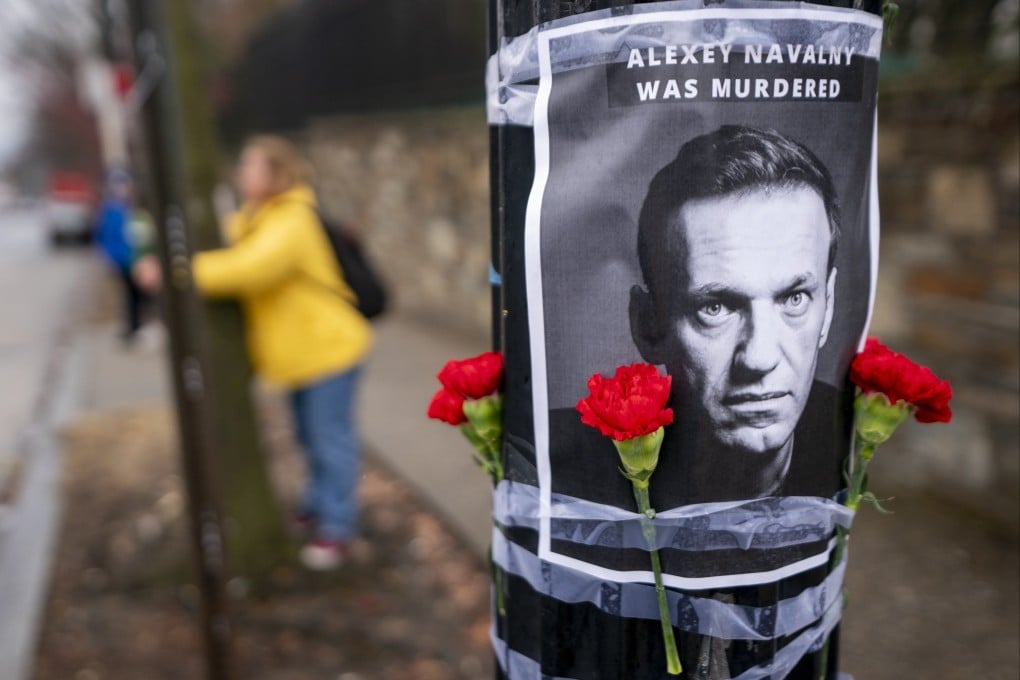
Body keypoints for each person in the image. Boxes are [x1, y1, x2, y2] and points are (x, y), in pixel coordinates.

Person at [627, 124, 846, 503]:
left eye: (794, 299)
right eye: (715, 307)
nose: (760, 358)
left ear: (827, 307)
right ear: (649, 326)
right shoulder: (565, 471)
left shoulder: (849, 433)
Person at [192, 135, 373, 570]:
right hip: (304, 355)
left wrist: (180, 270)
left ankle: (337, 528)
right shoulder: (261, 216)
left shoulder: (292, 217)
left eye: (250, 166)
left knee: (329, 439)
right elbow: (240, 240)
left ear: (276, 173)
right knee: (309, 437)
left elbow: (251, 268)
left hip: (329, 349)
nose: (241, 174)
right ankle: (316, 504)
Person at [95, 169, 158, 343]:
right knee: (131, 295)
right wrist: (109, 257)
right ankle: (133, 328)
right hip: (123, 260)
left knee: (140, 294)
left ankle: (139, 326)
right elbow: (103, 235)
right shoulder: (110, 209)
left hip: (135, 259)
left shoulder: (130, 207)